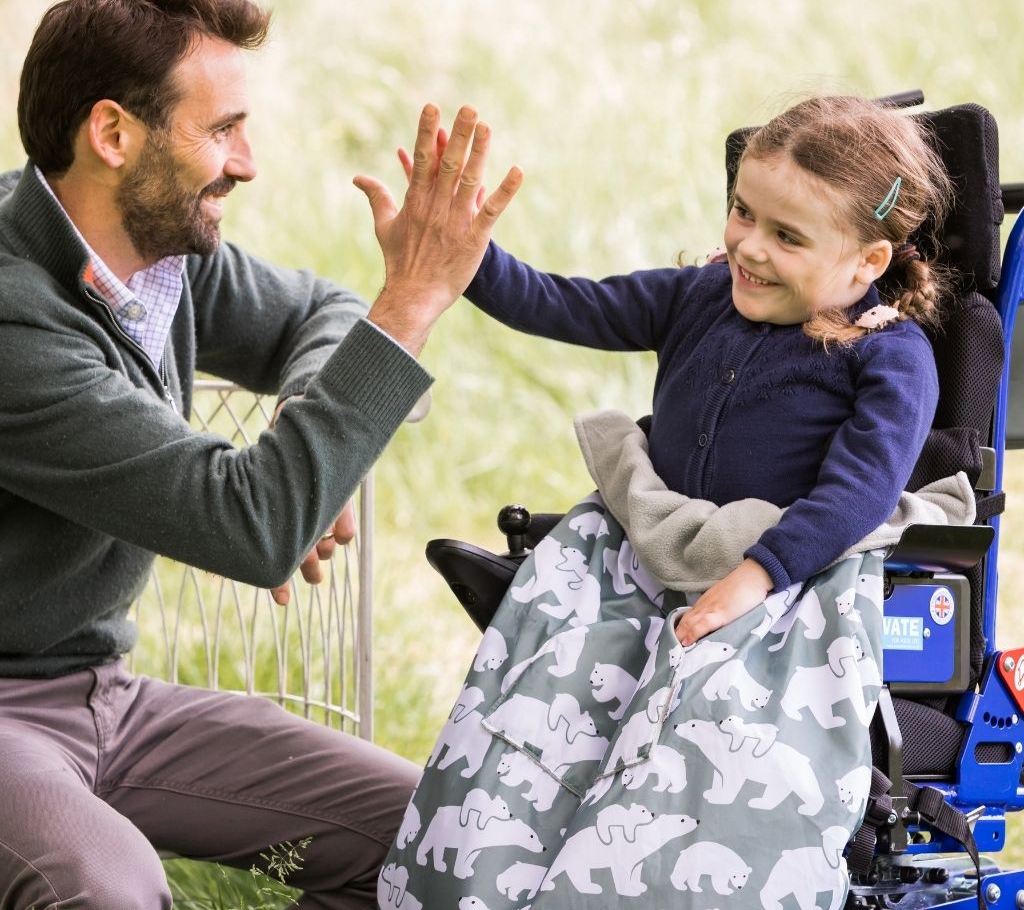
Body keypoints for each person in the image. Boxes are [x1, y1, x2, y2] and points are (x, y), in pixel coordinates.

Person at [0, 0, 521, 909]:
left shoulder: (150, 256)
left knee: (435, 840)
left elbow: (317, 314)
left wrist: (302, 454)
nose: (246, 164)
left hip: (99, 697)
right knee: (107, 889)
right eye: (222, 130)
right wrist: (409, 303)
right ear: (113, 134)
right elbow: (252, 529)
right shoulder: (12, 320)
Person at [379, 95, 970, 909]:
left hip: (783, 571)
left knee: (707, 743)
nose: (749, 248)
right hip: (658, 542)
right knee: (542, 722)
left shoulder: (890, 356)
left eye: (786, 236)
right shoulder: (700, 294)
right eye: (742, 213)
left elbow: (859, 491)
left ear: (868, 262)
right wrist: (461, 254)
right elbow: (562, 303)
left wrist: (759, 574)